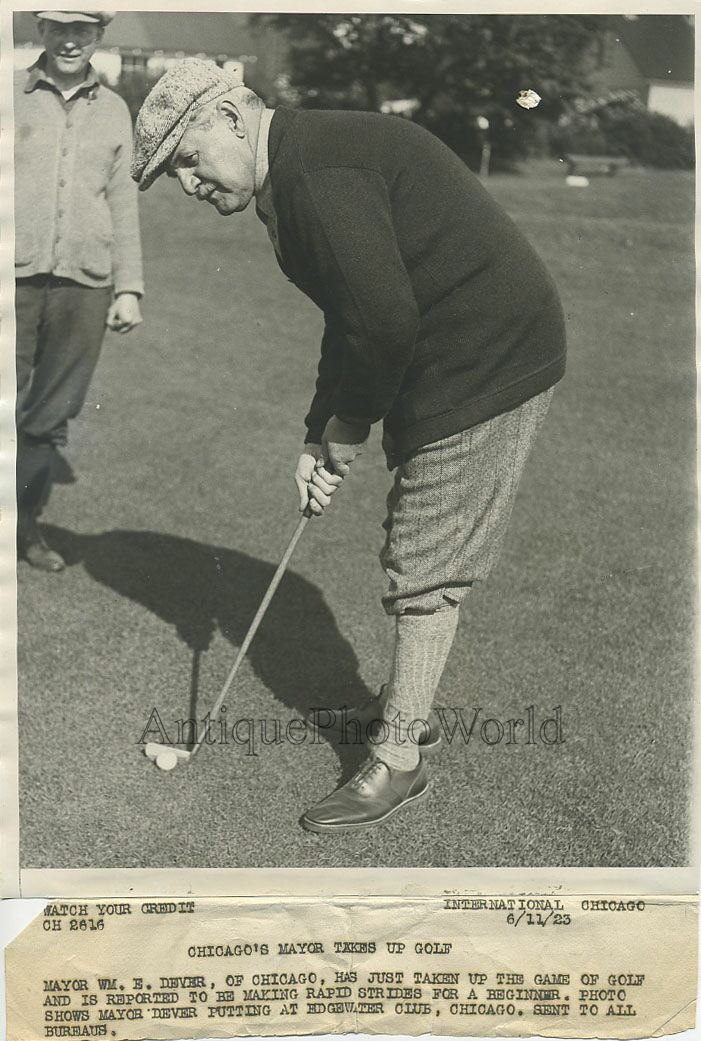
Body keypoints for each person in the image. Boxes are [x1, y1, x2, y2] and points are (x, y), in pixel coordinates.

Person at [131, 59, 566, 833]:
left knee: (424, 558)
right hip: (449, 349)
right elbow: (352, 309)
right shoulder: (291, 171)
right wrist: (316, 430)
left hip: (486, 353)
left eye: (189, 160)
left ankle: (399, 761)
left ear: (232, 117)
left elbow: (386, 322)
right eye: (175, 178)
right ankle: (409, 709)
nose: (190, 187)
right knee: (418, 547)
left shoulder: (316, 176)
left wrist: (349, 428)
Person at [15, 10, 143, 572]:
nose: (70, 41)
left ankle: (25, 528)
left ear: (98, 38)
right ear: (41, 32)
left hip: (86, 285)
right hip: (12, 279)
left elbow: (124, 202)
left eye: (83, 31)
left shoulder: (115, 110)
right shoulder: (10, 95)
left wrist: (129, 287)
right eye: (59, 28)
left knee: (49, 416)